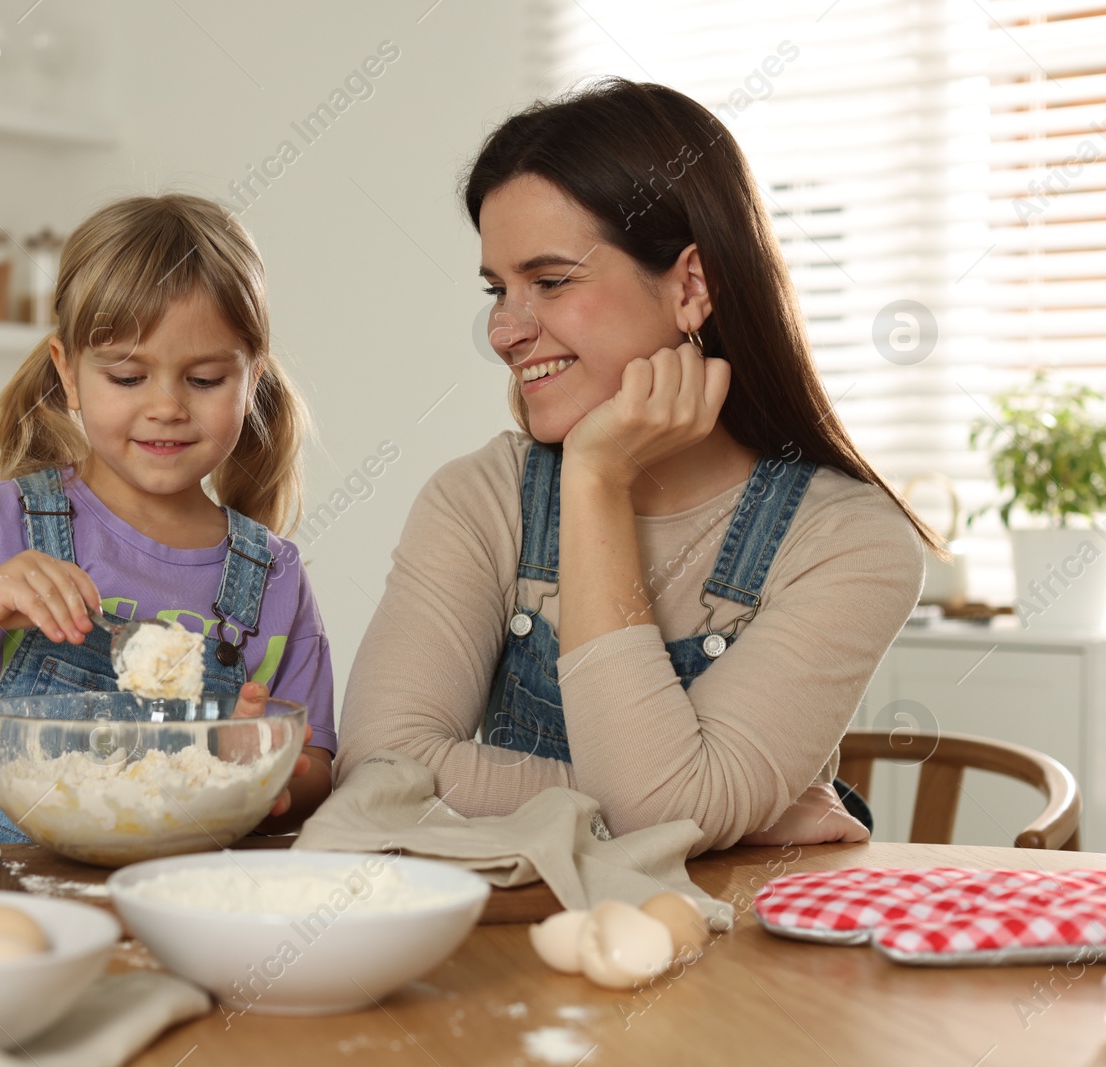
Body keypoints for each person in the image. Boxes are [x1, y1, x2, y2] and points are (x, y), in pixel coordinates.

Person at [334, 78, 933, 855]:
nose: (504, 331)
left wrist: (593, 479)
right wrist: (721, 816)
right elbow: (381, 772)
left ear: (691, 285)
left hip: (737, 968)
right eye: (497, 289)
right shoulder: (477, 500)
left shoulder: (851, 542)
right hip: (518, 957)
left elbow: (660, 811)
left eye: (549, 281)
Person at [0, 194, 335, 854]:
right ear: (69, 375)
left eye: (204, 378)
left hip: (178, 897)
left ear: (251, 380)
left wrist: (261, 768)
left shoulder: (274, 577)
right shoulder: (3, 523)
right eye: (129, 376)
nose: (165, 406)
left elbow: (316, 775)